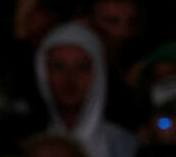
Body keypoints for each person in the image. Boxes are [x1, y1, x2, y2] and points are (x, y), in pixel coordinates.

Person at [34, 22, 138, 157]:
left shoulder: (125, 146)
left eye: (82, 67)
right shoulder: (31, 143)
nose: (69, 77)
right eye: (58, 66)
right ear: (43, 73)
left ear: (99, 75)